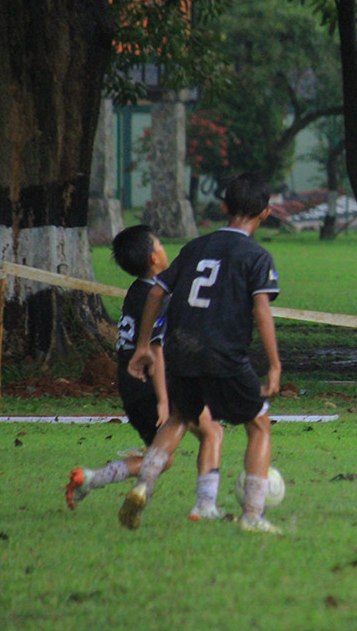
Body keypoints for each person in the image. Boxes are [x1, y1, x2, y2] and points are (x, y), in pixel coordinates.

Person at [121, 172, 283, 534]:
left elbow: (156, 293)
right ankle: (253, 517)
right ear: (266, 213)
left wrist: (144, 346)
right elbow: (261, 311)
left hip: (180, 351)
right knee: (259, 426)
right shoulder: (257, 256)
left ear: (224, 207)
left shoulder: (195, 247)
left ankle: (142, 486)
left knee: (180, 416)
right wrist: (273, 364)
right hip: (225, 353)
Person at [65, 225, 224, 520]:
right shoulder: (156, 295)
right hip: (155, 385)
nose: (165, 248)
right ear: (154, 258)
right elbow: (156, 351)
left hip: (130, 387)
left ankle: (93, 479)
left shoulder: (136, 293)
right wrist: (164, 400)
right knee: (212, 431)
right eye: (161, 243)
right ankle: (205, 505)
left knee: (160, 458)